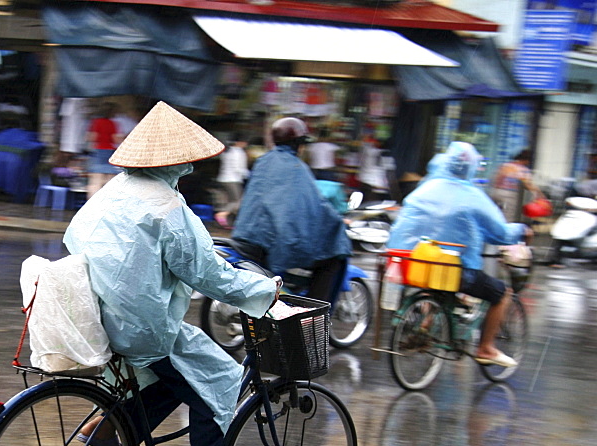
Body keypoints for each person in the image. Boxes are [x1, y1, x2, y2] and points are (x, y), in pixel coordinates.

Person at [64, 101, 279, 446]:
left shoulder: (113, 191)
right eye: (187, 162)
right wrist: (265, 291)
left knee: (180, 377)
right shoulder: (168, 208)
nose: (191, 169)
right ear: (173, 162)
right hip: (141, 326)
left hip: (97, 312)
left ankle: (108, 426)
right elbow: (210, 277)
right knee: (220, 378)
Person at [387, 141, 531, 368]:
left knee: (436, 284)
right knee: (501, 293)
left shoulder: (426, 188)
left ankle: (427, 325)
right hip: (456, 270)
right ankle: (486, 347)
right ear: (472, 168)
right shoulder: (473, 196)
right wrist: (522, 230)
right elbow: (500, 233)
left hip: (416, 262)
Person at [231, 116, 352, 306]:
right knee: (332, 257)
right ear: (297, 144)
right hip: (270, 243)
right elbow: (315, 205)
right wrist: (336, 222)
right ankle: (313, 313)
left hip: (246, 235)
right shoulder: (296, 168)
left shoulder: (264, 162)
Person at [491, 149, 543, 222]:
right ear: (526, 160)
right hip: (511, 194)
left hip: (497, 191)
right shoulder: (523, 169)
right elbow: (528, 184)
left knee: (493, 210)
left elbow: (497, 178)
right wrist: (539, 194)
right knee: (509, 214)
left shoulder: (505, 165)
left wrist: (496, 189)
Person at [85, 102, 122, 199]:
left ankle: (91, 203)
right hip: (109, 152)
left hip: (98, 151)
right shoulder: (113, 123)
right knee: (110, 180)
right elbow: (115, 139)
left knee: (95, 181)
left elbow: (92, 137)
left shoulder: (96, 122)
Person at [215, 137, 250, 228]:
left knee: (229, 201)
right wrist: (249, 175)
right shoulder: (239, 152)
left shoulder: (228, 151)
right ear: (241, 142)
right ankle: (222, 214)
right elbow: (238, 169)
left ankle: (226, 222)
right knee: (237, 200)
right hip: (233, 180)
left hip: (223, 179)